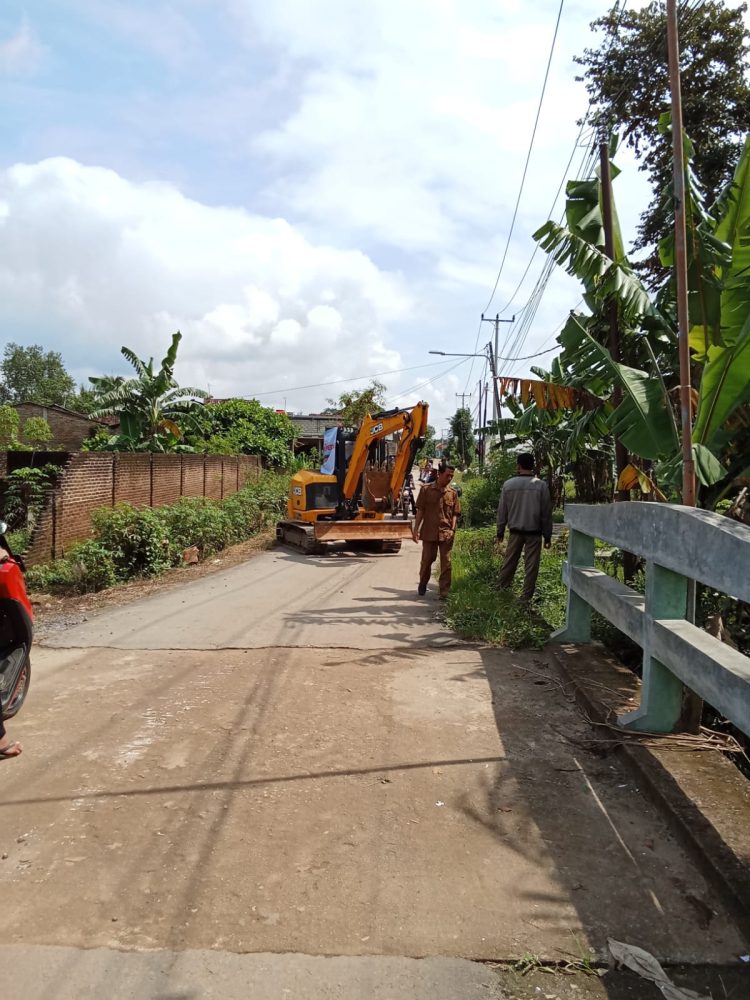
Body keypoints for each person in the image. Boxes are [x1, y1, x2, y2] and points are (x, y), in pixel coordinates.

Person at [496, 453, 552, 602]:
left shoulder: (508, 485)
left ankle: (501, 589)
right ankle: (526, 597)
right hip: (534, 533)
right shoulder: (541, 486)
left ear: (518, 466)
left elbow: (502, 511)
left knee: (509, 562)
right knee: (531, 566)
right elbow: (546, 513)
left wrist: (500, 531)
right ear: (533, 466)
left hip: (515, 532)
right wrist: (547, 535)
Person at [413, 460, 461, 599]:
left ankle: (444, 591)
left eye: (452, 476)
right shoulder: (426, 490)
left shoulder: (452, 493)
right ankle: (423, 583)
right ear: (439, 474)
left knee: (446, 563)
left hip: (446, 533)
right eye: (447, 475)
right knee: (427, 561)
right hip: (429, 532)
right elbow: (420, 511)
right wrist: (416, 530)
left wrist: (452, 530)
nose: (450, 478)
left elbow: (455, 513)